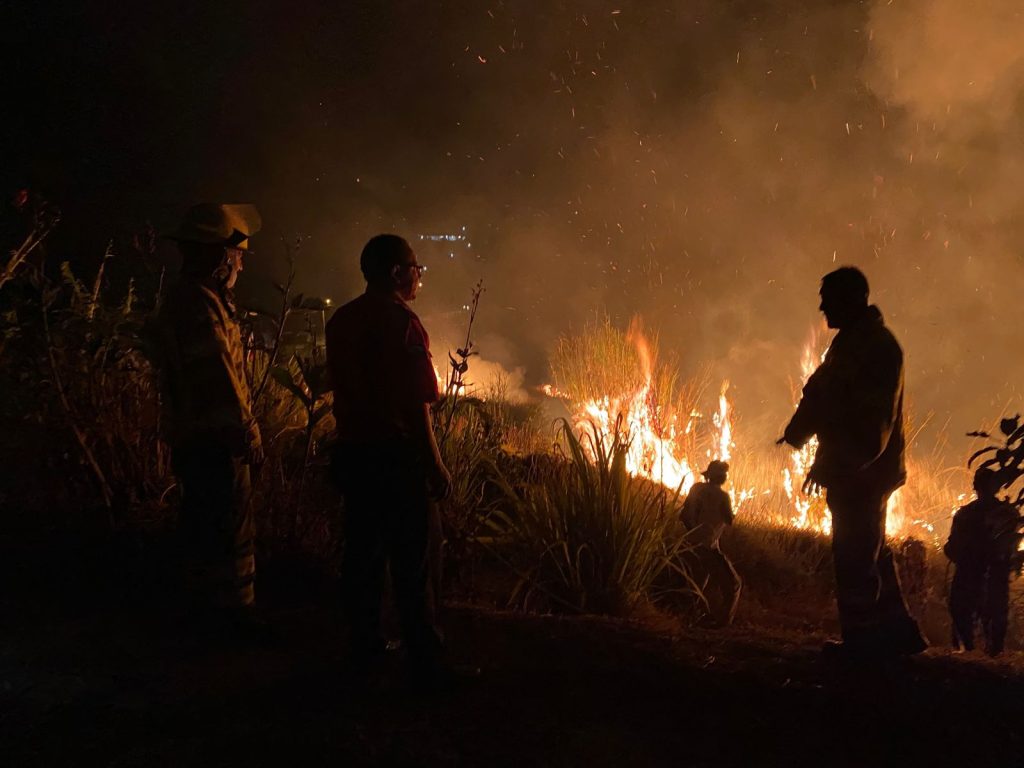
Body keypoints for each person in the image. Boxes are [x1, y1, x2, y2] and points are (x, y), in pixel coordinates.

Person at [779, 266, 926, 659]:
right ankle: (899, 633)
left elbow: (871, 422)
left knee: (854, 555)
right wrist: (798, 431)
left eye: (829, 297)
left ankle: (861, 645)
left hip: (864, 472)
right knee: (873, 550)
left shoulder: (877, 348)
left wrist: (837, 464)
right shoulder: (850, 345)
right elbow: (823, 395)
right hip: (859, 468)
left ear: (853, 299)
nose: (822, 305)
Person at [325, 234, 452, 685]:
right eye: (416, 268)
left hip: (354, 455)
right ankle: (426, 661)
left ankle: (365, 646)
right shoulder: (402, 324)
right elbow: (417, 404)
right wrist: (434, 463)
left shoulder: (342, 320)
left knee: (363, 555)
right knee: (416, 561)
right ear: (398, 272)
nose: (420, 276)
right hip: (397, 460)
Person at [152, 203, 263, 625]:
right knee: (228, 526)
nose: (241, 266)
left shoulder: (192, 299)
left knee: (205, 524)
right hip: (217, 440)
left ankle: (205, 611)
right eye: (238, 256)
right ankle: (232, 617)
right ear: (220, 255)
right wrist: (248, 433)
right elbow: (219, 377)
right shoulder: (200, 306)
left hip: (196, 436)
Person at [944, 468, 1022, 656]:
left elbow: (952, 548)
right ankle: (993, 653)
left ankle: (970, 650)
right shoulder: (1008, 513)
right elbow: (1012, 545)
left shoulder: (965, 514)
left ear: (976, 487)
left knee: (962, 610)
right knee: (996, 613)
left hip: (970, 571)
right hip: (995, 571)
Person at [680, 460, 741, 626]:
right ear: (720, 477)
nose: (725, 477)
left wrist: (693, 533)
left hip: (690, 543)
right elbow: (729, 520)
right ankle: (722, 623)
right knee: (733, 584)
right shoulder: (723, 496)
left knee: (698, 582)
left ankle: (691, 618)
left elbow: (683, 515)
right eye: (724, 474)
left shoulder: (695, 489)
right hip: (708, 547)